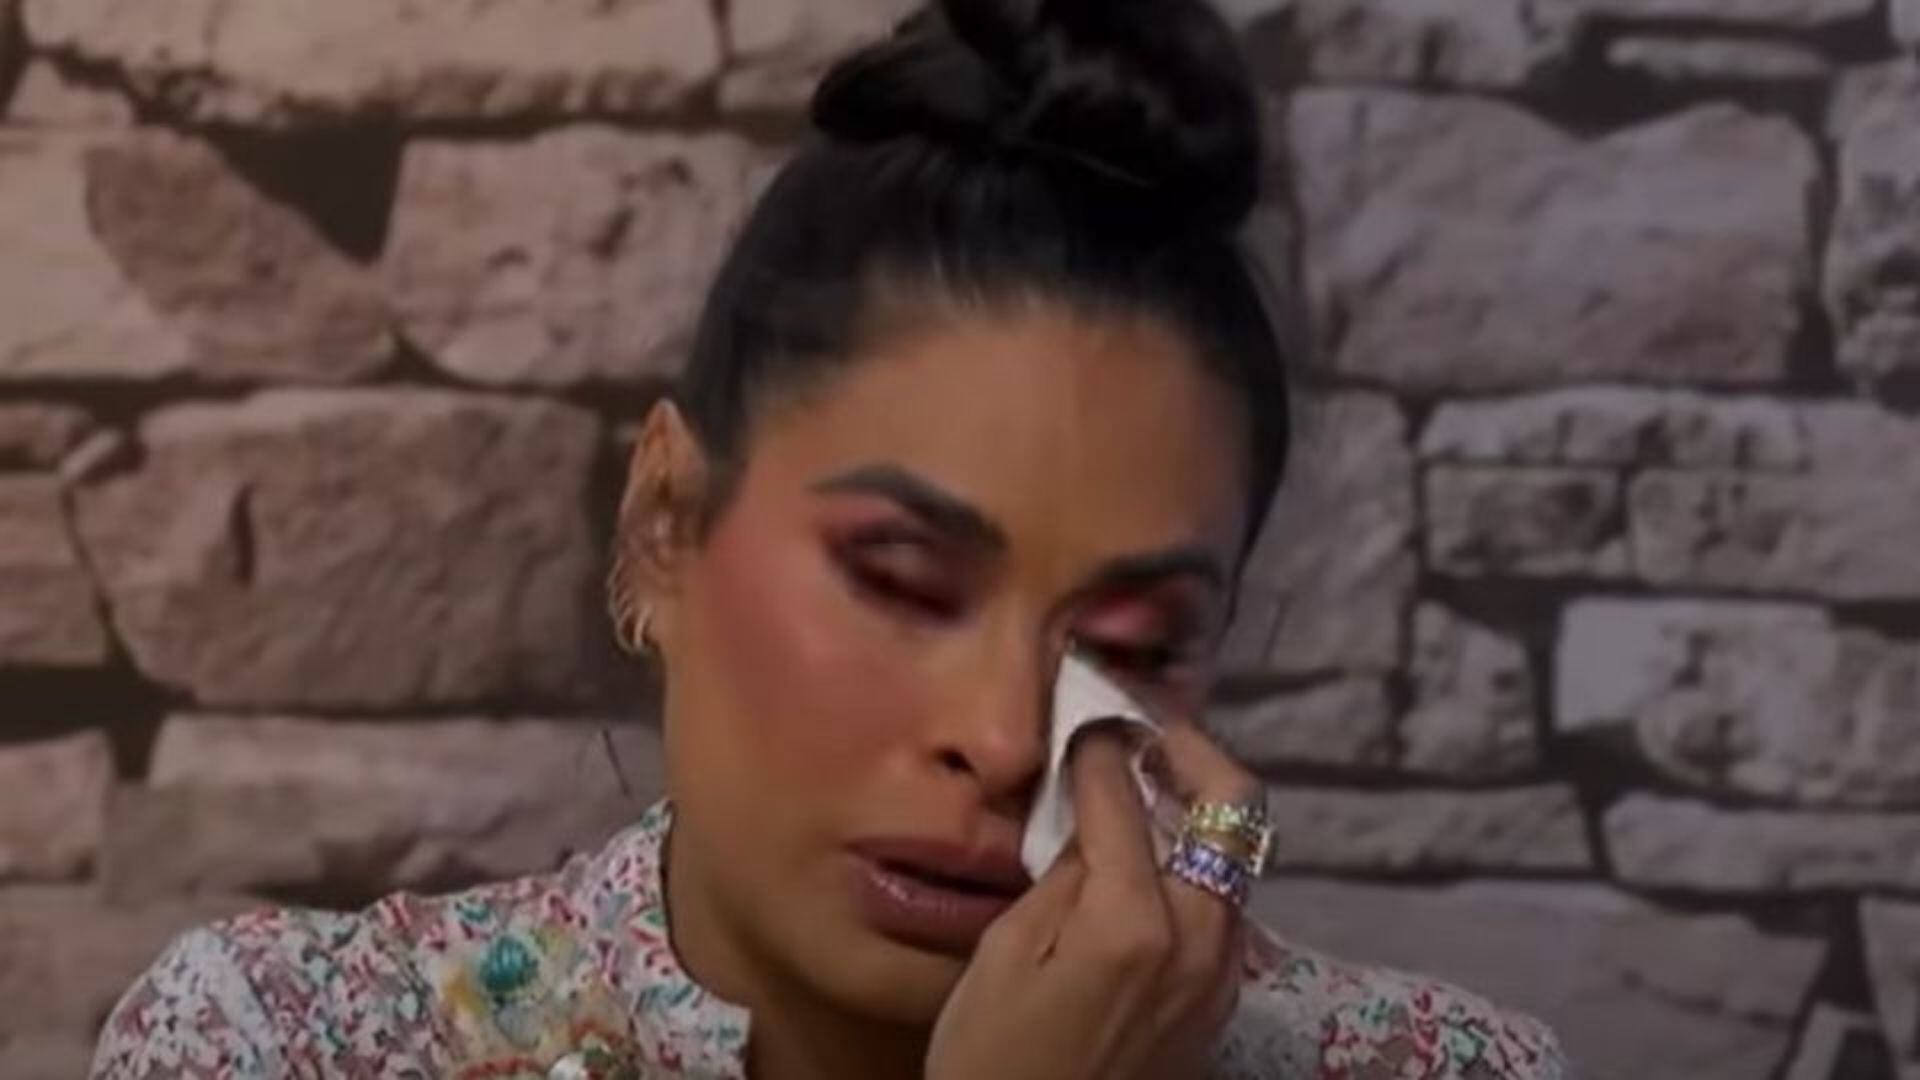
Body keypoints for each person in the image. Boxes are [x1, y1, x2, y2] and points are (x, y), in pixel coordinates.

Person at [92, 0, 1567, 1076]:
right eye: (902, 582)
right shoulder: (292, 1042)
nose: (1005, 740)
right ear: (666, 526)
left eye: (1134, 642)